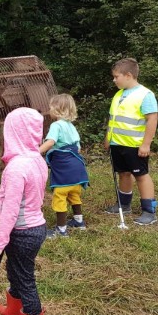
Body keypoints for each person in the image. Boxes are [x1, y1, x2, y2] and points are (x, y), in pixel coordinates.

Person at [0, 107, 48, 315]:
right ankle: (14, 312)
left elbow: (10, 211)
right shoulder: (37, 160)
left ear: (13, 133)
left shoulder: (16, 169)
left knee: (25, 279)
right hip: (35, 228)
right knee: (14, 270)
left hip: (22, 232)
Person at [104, 57, 158, 225]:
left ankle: (149, 211)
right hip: (117, 143)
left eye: (116, 76)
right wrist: (108, 138)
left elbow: (152, 119)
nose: (114, 80)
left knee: (141, 175)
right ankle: (124, 205)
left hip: (135, 145)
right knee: (123, 173)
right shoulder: (118, 95)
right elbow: (113, 119)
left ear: (128, 75)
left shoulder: (145, 95)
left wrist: (146, 144)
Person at [39, 94, 90, 237]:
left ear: (57, 109)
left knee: (60, 196)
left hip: (64, 170)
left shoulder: (56, 125)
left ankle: (61, 230)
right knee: (74, 194)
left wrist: (35, 152)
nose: (49, 110)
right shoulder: (71, 126)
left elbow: (50, 142)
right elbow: (78, 148)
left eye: (51, 107)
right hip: (78, 170)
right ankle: (79, 222)